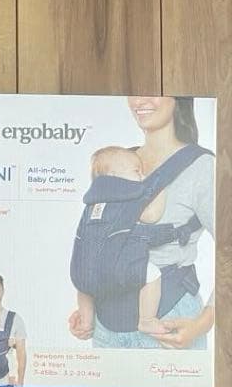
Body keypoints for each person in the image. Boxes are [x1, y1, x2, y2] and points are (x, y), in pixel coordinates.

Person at [68, 96, 215, 349]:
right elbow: (98, 238)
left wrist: (202, 324)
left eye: (154, 90)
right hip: (105, 327)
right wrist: (86, 312)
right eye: (135, 91)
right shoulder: (116, 161)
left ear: (179, 97)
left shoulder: (201, 167)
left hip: (170, 322)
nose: (140, 99)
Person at [75, 145, 167, 336]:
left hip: (84, 271)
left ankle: (86, 320)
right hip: (116, 270)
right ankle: (147, 320)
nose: (142, 176)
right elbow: (152, 216)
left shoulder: (91, 205)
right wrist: (161, 188)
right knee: (153, 274)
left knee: (85, 284)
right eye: (137, 171)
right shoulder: (127, 198)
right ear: (114, 176)